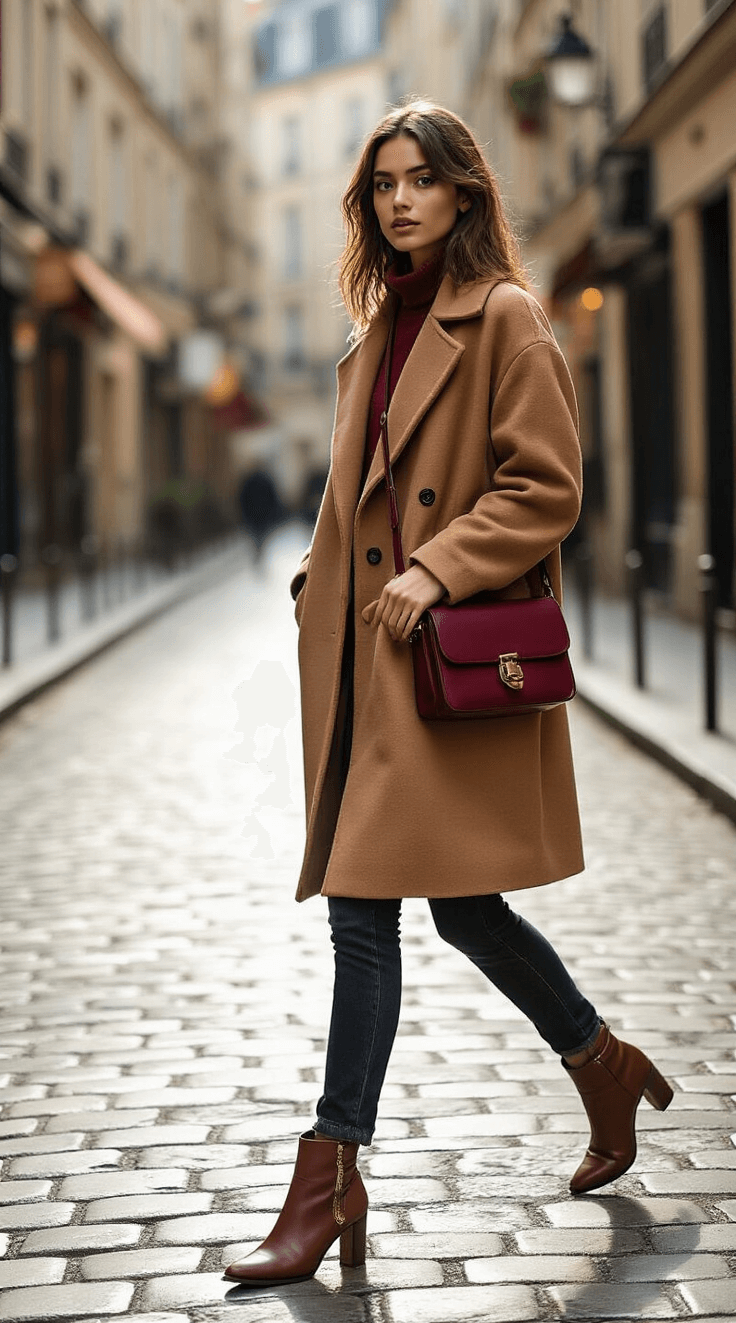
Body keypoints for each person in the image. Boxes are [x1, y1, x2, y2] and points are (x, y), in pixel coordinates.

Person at [223, 100, 673, 1288]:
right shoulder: (376, 329)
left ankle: (326, 1176)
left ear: (466, 192)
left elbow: (546, 486)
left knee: (373, 911)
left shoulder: (509, 317)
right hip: (368, 661)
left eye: (423, 179)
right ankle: (601, 1063)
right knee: (449, 909)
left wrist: (431, 566)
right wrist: (327, 567)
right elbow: (363, 485)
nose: (401, 200)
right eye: (382, 185)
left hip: (437, 657)